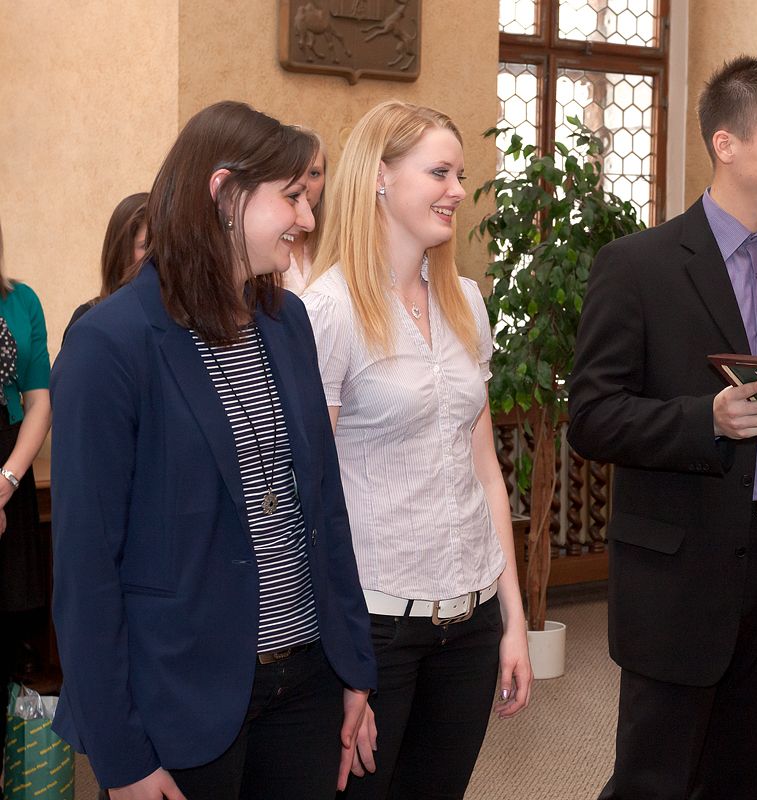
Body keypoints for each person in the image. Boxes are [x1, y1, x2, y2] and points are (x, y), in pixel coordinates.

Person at [568, 55, 757, 800]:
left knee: (746, 782)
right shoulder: (636, 266)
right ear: (726, 143)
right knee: (653, 784)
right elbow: (593, 418)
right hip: (678, 574)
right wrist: (704, 419)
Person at [51, 100, 376, 800]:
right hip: (179, 699)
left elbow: (325, 507)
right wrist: (121, 759)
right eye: (292, 197)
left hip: (306, 685)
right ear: (225, 193)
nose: (307, 220)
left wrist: (354, 669)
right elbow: (85, 569)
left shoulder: (287, 323)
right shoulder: (110, 342)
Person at [302, 99, 531, 799]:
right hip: (376, 626)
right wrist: (344, 665)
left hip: (471, 616)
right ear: (379, 175)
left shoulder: (465, 300)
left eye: (461, 175)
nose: (458, 191)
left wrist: (513, 621)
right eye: (439, 173)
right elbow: (312, 501)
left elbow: (486, 472)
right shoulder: (329, 310)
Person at [0, 215, 53, 681]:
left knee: (10, 627)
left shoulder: (22, 301)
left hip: (10, 464)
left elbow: (39, 400)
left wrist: (6, 483)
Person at [64, 191, 149, 337]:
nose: (158, 256)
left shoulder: (179, 318)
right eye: (145, 246)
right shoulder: (89, 321)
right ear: (121, 253)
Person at [282, 129, 327, 293]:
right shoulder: (259, 246)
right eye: (294, 172)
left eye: (314, 173)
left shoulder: (338, 247)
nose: (304, 186)